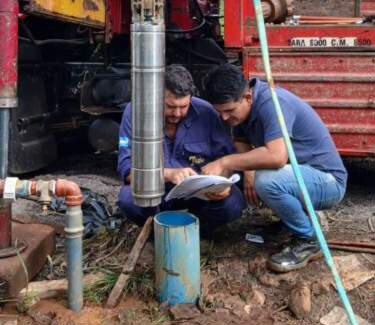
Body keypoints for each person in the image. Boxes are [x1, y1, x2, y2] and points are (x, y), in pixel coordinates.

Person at [202, 64, 347, 272]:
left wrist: (224, 162)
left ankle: (309, 240)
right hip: (299, 176)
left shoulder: (273, 103)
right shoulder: (243, 109)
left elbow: (277, 157)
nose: (224, 118)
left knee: (267, 181)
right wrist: (248, 173)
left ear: (247, 98)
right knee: (247, 177)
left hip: (328, 182)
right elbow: (241, 141)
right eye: (220, 112)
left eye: (229, 111)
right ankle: (293, 221)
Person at [117, 64, 245, 235]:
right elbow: (126, 170)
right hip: (156, 192)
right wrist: (168, 174)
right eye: (170, 106)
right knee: (128, 198)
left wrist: (222, 184)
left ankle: (195, 234)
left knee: (234, 202)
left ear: (191, 97)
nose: (177, 113)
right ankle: (157, 232)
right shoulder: (136, 112)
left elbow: (226, 158)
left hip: (199, 194)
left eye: (183, 106)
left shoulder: (206, 112)